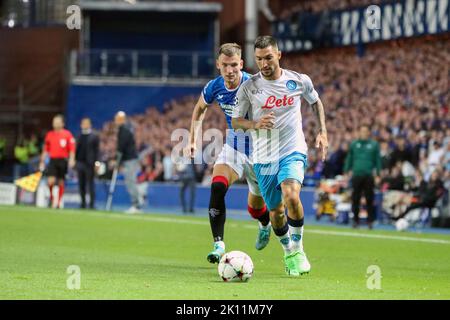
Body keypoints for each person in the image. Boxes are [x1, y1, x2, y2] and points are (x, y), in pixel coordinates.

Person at [232, 35, 329, 276]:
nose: (264, 64)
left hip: (292, 149)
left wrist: (322, 131)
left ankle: (298, 249)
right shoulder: (249, 87)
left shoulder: (298, 81)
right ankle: (288, 251)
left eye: (268, 58)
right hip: (264, 157)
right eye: (259, 59)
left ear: (279, 55)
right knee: (275, 211)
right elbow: (235, 122)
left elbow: (315, 102)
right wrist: (255, 124)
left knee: (291, 195)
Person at [186, 43, 272, 264]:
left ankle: (265, 224)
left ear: (241, 64)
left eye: (234, 65)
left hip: (260, 151)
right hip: (234, 147)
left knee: (256, 208)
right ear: (218, 65)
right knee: (217, 186)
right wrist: (192, 139)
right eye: (225, 65)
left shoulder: (255, 85)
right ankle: (218, 245)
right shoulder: (214, 87)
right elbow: (199, 109)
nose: (230, 70)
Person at [344, 125, 381, 229]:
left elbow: (377, 160)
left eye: (365, 131)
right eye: (362, 131)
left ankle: (370, 221)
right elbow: (349, 158)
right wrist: (346, 171)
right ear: (359, 132)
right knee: (355, 199)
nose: (364, 133)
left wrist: (378, 174)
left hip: (369, 176)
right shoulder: (354, 144)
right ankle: (355, 221)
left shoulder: (374, 145)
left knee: (370, 199)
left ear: (369, 132)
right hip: (357, 175)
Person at [39, 114, 76, 209]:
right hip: (52, 160)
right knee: (50, 182)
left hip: (63, 160)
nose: (55, 123)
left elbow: (72, 149)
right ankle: (52, 198)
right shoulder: (49, 134)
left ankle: (58, 203)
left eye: (57, 121)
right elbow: (45, 149)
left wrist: (72, 159)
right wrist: (42, 160)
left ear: (62, 123)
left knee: (61, 182)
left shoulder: (67, 134)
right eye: (54, 121)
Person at [115, 111, 141, 214]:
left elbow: (121, 148)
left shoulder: (124, 130)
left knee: (131, 182)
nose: (115, 121)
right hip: (129, 160)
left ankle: (136, 205)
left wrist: (117, 162)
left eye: (117, 119)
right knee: (130, 182)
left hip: (130, 160)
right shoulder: (124, 129)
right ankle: (136, 204)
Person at [75, 117, 100, 209]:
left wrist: (97, 163)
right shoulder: (79, 136)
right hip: (80, 163)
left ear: (90, 125)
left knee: (91, 184)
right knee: (81, 184)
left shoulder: (94, 136)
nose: (85, 125)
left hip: (90, 163)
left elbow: (97, 151)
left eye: (86, 123)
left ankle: (92, 204)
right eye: (83, 123)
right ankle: (83, 203)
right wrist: (74, 161)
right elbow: (75, 150)